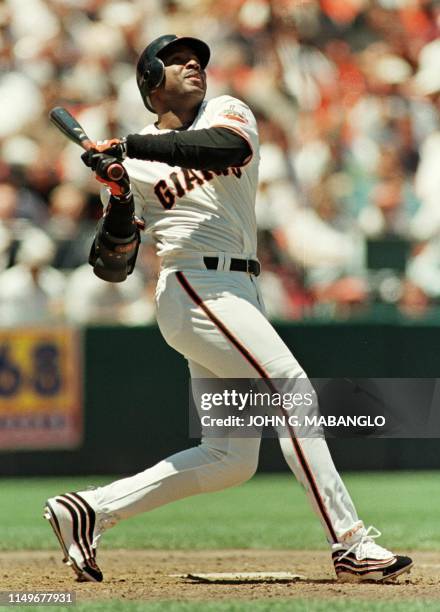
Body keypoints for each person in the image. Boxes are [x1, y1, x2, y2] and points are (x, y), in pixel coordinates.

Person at [44, 34, 413, 584]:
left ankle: (90, 509)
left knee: (229, 460)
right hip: (194, 288)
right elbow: (113, 263)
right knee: (292, 390)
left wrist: (128, 151)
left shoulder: (224, 111)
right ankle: (350, 542)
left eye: (197, 59)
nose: (193, 64)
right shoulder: (137, 155)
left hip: (238, 288)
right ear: (151, 80)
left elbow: (225, 150)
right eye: (175, 60)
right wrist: (120, 196)